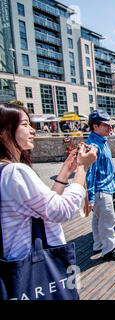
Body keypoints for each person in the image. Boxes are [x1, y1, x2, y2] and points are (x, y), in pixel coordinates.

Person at [0, 103, 97, 262]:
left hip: (14, 260)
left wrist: (65, 172)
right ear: (3, 132)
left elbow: (46, 207)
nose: (32, 129)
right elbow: (62, 211)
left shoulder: (4, 170)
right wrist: (82, 168)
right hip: (31, 264)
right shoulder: (15, 172)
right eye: (24, 125)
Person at [85, 110, 115, 261]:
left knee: (98, 219)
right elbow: (89, 173)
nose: (110, 129)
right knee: (107, 219)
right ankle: (109, 249)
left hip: (105, 187)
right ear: (95, 126)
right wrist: (89, 198)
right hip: (100, 190)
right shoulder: (92, 146)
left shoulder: (100, 141)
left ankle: (99, 244)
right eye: (106, 126)